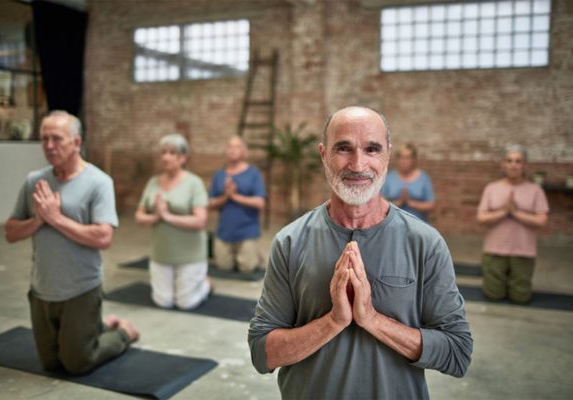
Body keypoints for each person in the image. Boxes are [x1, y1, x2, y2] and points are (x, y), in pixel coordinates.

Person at [248, 106, 472, 399]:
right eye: (343, 148)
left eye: (372, 149)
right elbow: (262, 352)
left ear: (387, 155)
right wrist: (333, 322)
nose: (357, 164)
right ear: (323, 154)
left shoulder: (425, 243)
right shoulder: (290, 241)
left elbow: (457, 353)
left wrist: (371, 319)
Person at [4, 110, 139, 375]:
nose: (49, 146)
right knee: (51, 365)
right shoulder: (35, 181)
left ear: (76, 142)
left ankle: (123, 332)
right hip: (41, 290)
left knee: (78, 363)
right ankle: (97, 326)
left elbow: (103, 237)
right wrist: (38, 221)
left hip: (81, 290)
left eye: (57, 139)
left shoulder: (99, 183)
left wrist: (55, 218)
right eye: (44, 139)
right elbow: (10, 232)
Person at [135, 133, 211, 309]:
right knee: (163, 302)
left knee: (186, 303)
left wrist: (167, 216)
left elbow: (200, 221)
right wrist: (155, 216)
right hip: (161, 253)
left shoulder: (194, 183)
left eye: (172, 153)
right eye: (163, 152)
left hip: (190, 254)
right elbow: (139, 217)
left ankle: (205, 284)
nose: (166, 157)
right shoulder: (153, 182)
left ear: (183, 158)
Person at [476, 145, 549, 304]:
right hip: (494, 251)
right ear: (503, 164)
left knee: (520, 298)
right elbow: (481, 218)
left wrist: (516, 213)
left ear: (525, 165)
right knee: (493, 296)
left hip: (524, 252)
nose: (513, 164)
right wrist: (504, 211)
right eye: (509, 160)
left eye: (518, 161)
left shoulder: (535, 190)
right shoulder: (492, 188)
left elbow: (541, 221)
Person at [209, 136, 266, 273]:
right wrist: (225, 197)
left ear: (245, 152)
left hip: (247, 231)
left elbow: (260, 203)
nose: (232, 150)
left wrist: (235, 196)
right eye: (229, 147)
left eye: (237, 147)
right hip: (224, 232)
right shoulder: (219, 175)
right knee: (223, 267)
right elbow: (210, 204)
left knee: (247, 268)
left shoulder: (254, 174)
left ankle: (255, 255)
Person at [381, 142, 435, 222]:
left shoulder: (423, 178)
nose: (404, 161)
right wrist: (399, 202)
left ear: (414, 159)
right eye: (401, 158)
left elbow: (431, 205)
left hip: (418, 226)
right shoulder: (389, 178)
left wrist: (410, 203)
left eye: (407, 158)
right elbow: (380, 205)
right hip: (393, 227)